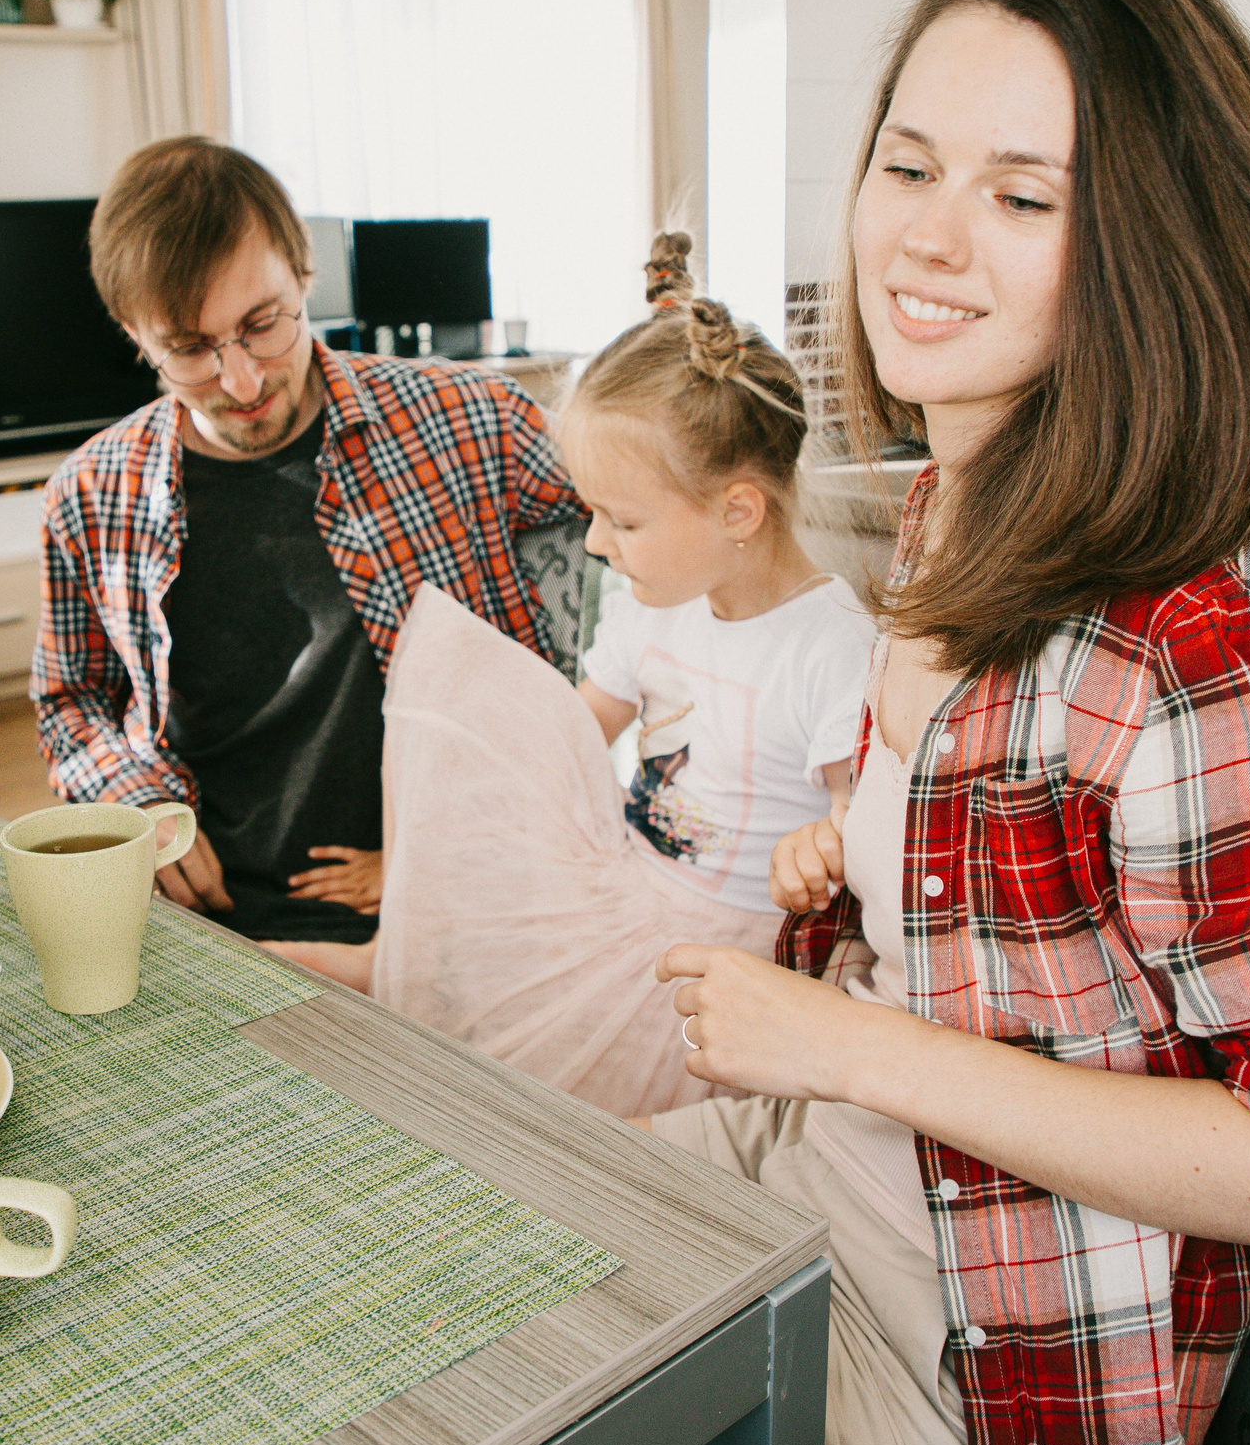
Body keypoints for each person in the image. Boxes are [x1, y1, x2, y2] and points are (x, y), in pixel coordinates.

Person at [648, 0, 1250, 1445]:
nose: (927, 239)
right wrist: (853, 860)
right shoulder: (958, 496)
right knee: (469, 1253)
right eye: (909, 165)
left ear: (1149, 251)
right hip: (833, 1165)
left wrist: (842, 1044)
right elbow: (1003, 913)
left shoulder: (1208, 621)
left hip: (986, 1340)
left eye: (1022, 194)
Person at [268, 235, 876, 1120]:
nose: (593, 543)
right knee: (494, 919)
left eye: (620, 519)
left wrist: (826, 844)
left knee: (569, 1099)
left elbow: (866, 817)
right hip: (624, 881)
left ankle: (422, 984)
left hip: (737, 940)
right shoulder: (657, 600)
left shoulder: (830, 645)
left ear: (737, 510)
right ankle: (410, 961)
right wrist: (450, 820)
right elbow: (570, 730)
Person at [32, 136, 587, 943]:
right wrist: (135, 800)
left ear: (304, 276)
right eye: (188, 350)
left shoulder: (473, 419)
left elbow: (648, 539)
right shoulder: (87, 495)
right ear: (133, 334)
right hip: (216, 926)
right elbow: (68, 701)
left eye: (264, 324)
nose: (241, 380)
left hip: (466, 895)